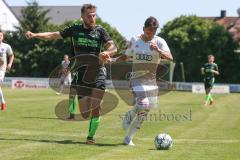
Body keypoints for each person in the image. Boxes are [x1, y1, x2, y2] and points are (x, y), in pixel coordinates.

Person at [25, 4, 117, 144]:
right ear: (82, 16)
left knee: (96, 107)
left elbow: (113, 46)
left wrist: (107, 52)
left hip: (98, 72)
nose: (92, 18)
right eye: (89, 15)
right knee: (85, 113)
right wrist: (35, 35)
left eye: (94, 15)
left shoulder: (100, 31)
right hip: (81, 74)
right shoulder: (75, 29)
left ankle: (90, 137)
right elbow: (53, 34)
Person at [112, 16, 173, 146]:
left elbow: (170, 58)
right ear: (143, 28)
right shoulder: (135, 40)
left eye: (154, 31)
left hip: (151, 82)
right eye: (149, 30)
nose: (151, 33)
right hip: (136, 79)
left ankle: (128, 138)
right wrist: (113, 60)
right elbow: (125, 56)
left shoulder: (160, 41)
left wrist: (158, 50)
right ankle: (130, 114)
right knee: (143, 104)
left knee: (144, 112)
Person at [0, 30, 14, 111]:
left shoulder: (6, 46)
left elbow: (11, 55)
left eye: (0, 36)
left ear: (3, 37)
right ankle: (3, 102)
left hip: (2, 69)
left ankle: (3, 102)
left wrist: (10, 64)